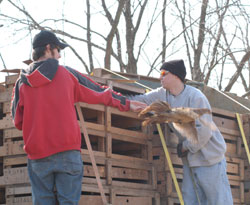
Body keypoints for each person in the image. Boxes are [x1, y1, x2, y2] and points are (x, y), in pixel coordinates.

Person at [11, 30, 146, 205]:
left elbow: (17, 122)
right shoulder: (67, 74)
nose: (59, 56)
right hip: (67, 152)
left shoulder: (22, 82)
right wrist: (127, 103)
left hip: (38, 157)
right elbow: (100, 93)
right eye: (58, 50)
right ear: (48, 48)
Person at [128, 59, 233, 205]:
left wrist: (186, 147)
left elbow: (204, 131)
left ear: (176, 76)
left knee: (218, 201)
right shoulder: (163, 94)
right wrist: (117, 99)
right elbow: (141, 100)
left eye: (164, 73)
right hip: (190, 160)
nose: (160, 77)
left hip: (210, 159)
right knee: (190, 200)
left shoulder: (195, 97)